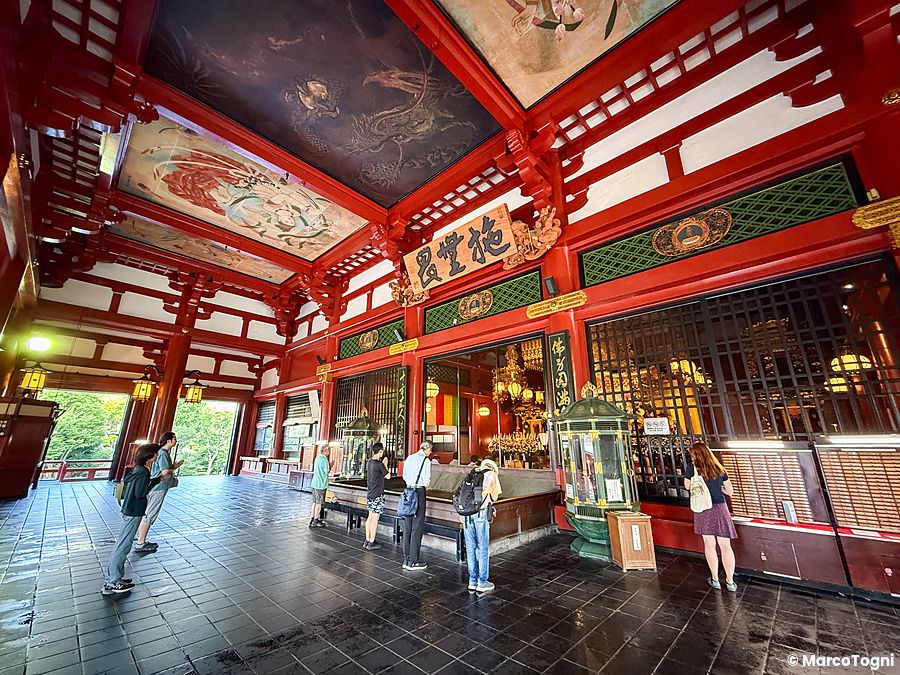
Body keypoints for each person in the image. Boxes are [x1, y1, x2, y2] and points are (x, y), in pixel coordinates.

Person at [102, 444, 171, 595]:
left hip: (129, 509)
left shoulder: (138, 469)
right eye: (155, 454)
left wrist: (158, 479)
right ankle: (113, 581)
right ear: (149, 456)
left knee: (123, 543)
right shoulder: (143, 472)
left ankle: (113, 578)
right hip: (134, 511)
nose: (157, 456)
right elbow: (141, 492)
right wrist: (154, 483)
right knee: (123, 545)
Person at [683, 441, 738, 592]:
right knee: (725, 545)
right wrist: (717, 488)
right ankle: (730, 581)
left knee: (709, 544)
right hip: (720, 508)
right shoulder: (719, 468)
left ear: (696, 455)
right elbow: (730, 491)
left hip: (703, 508)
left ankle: (715, 578)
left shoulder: (692, 468)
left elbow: (687, 486)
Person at [135, 431, 183, 552]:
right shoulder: (162, 453)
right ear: (169, 441)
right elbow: (165, 471)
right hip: (159, 487)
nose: (175, 441)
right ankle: (141, 542)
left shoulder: (163, 453)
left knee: (148, 512)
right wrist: (174, 468)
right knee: (151, 513)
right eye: (174, 439)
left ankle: (140, 536)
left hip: (157, 486)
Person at [463, 459, 502, 593]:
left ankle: (472, 581)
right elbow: (495, 496)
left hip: (467, 515)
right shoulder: (492, 475)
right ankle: (482, 582)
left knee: (470, 547)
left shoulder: (472, 473)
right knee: (483, 548)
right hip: (481, 514)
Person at [401, 441, 433, 571]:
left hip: (408, 491)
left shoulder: (410, 458)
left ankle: (406, 558)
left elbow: (404, 475)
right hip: (419, 492)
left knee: (408, 525)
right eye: (430, 451)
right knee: (418, 525)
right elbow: (426, 480)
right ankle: (413, 561)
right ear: (428, 449)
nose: (430, 454)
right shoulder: (426, 461)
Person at [363, 442, 389, 550]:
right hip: (378, 494)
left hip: (370, 493)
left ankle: (367, 539)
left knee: (370, 517)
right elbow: (388, 476)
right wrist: (385, 464)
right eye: (382, 452)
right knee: (375, 518)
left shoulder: (370, 463)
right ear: (380, 451)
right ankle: (372, 541)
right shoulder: (379, 464)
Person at [309, 446, 331, 528]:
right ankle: (316, 519)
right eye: (328, 450)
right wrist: (331, 465)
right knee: (319, 503)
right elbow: (326, 471)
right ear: (325, 451)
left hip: (314, 483)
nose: (329, 451)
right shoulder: (324, 459)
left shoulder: (317, 458)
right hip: (321, 484)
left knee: (314, 502)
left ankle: (312, 518)